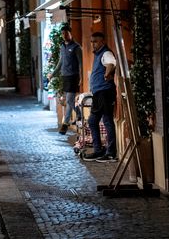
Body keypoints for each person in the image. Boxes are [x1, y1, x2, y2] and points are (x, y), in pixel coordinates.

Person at [82, 31, 118, 162]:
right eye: (91, 42)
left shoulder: (106, 53)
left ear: (102, 42)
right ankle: (98, 150)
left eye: (95, 41)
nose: (93, 44)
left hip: (105, 92)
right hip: (98, 93)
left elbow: (111, 63)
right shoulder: (98, 55)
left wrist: (107, 74)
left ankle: (110, 153)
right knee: (92, 121)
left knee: (107, 121)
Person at [50, 24, 83, 135]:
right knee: (69, 100)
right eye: (63, 33)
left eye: (66, 33)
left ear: (70, 33)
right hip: (65, 76)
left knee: (69, 99)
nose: (64, 35)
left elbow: (81, 64)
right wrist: (53, 74)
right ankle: (78, 114)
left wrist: (81, 78)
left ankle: (65, 124)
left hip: (73, 76)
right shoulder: (62, 46)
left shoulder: (76, 47)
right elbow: (60, 62)